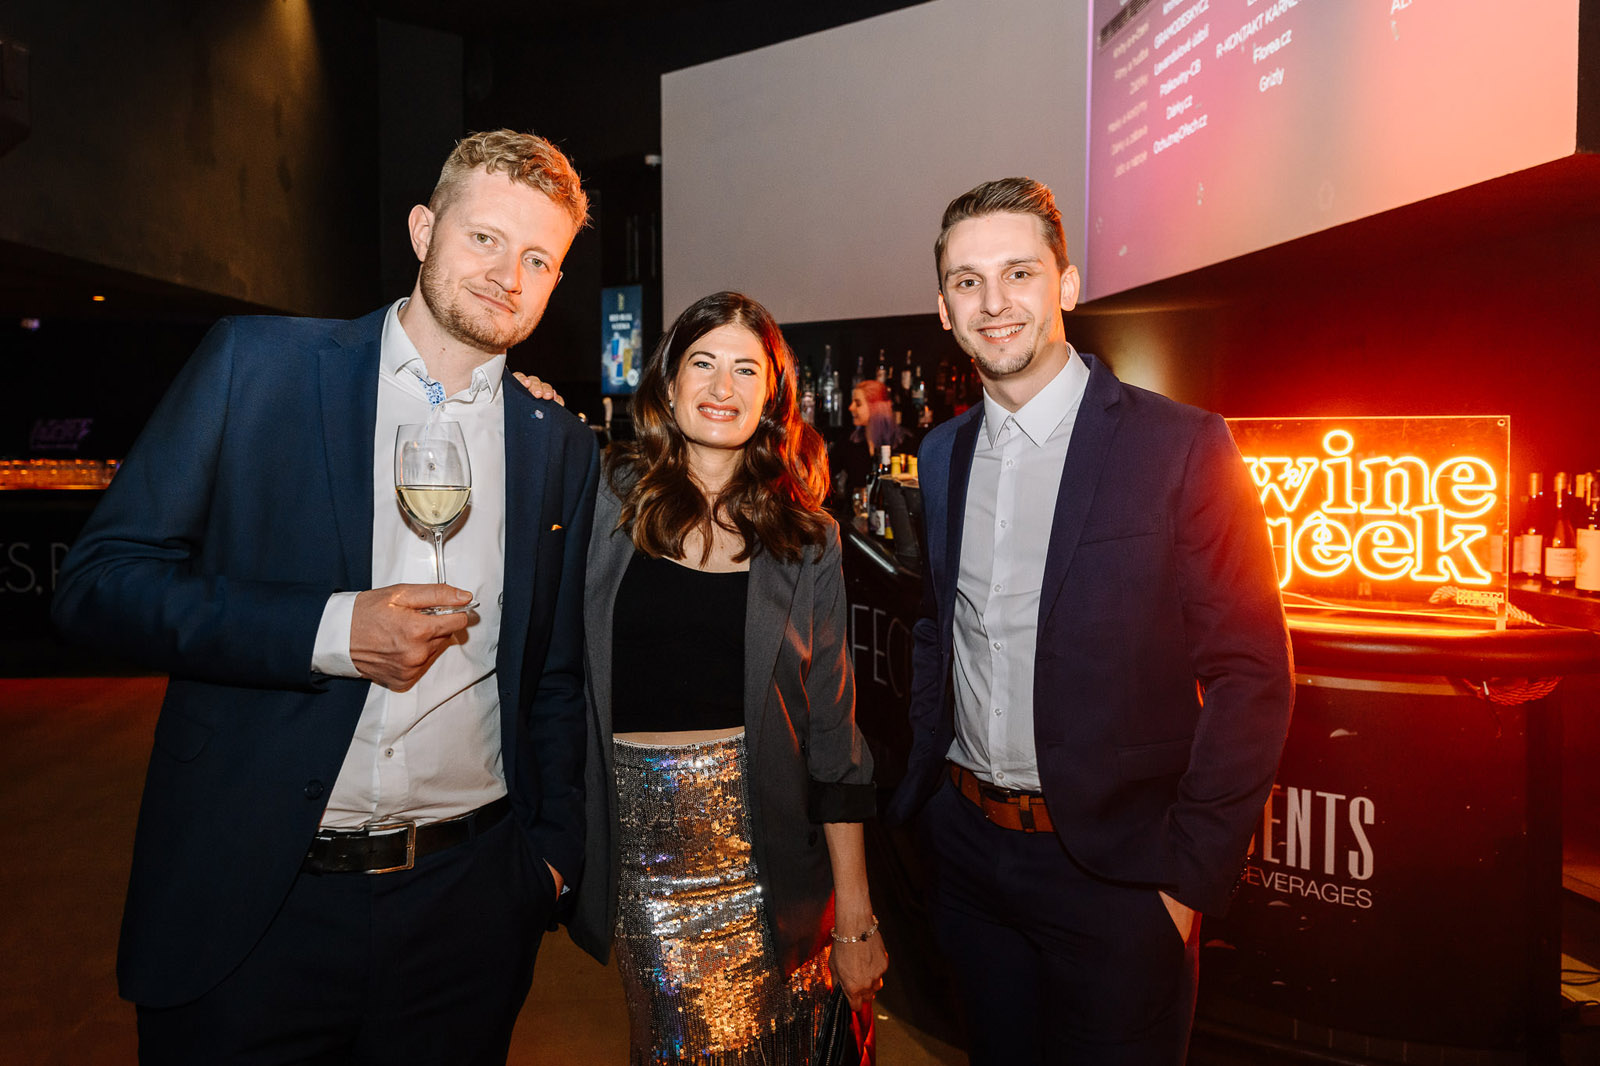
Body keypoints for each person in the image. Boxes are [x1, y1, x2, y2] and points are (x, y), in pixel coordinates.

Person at [50, 129, 599, 1065]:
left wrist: (547, 861)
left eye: (539, 259)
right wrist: (330, 631)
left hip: (466, 909)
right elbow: (100, 583)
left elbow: (550, 673)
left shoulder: (558, 443)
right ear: (423, 230)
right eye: (485, 238)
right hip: (256, 900)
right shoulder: (256, 367)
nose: (510, 276)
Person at [885, 177, 1293, 1064]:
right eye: (967, 282)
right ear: (944, 308)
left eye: (1019, 273)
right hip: (969, 859)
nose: (994, 303)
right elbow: (939, 628)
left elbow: (1251, 674)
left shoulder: (1179, 446)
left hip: (1119, 877)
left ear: (1066, 285)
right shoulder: (943, 452)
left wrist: (1186, 879)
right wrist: (930, 799)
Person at [561, 290, 888, 1063]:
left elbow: (835, 741)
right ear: (669, 383)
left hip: (775, 871)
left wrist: (856, 918)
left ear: (772, 397)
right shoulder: (603, 504)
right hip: (644, 869)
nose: (721, 386)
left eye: (746, 369)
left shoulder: (809, 540)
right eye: (703, 363)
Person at [837, 378, 912, 495]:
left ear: (876, 408)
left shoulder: (905, 444)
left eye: (858, 403)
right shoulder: (849, 442)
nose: (850, 407)